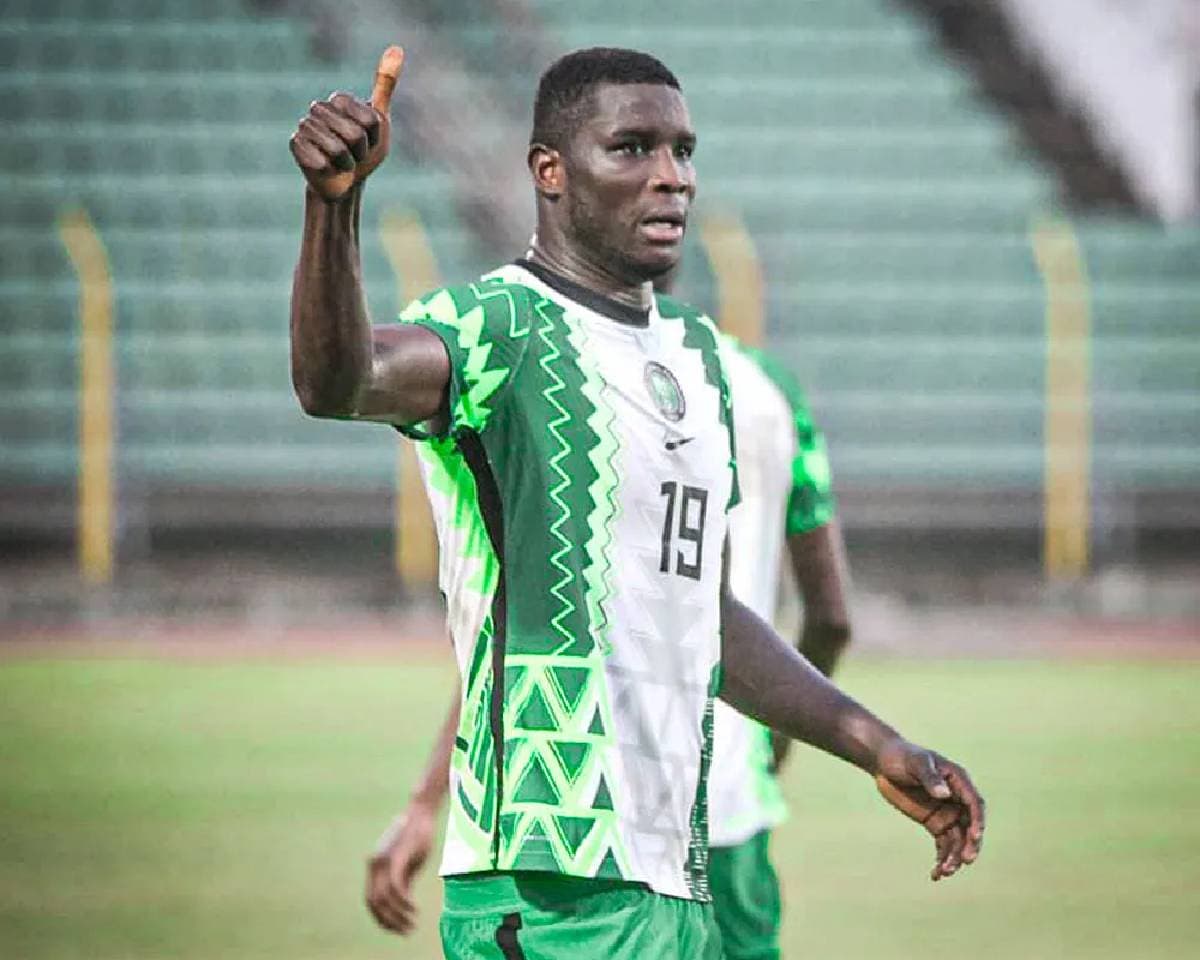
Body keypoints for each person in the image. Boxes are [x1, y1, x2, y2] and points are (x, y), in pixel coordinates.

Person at [289, 44, 984, 960]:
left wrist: (872, 742)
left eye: (684, 152)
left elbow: (699, 614)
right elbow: (341, 380)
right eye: (633, 149)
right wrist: (332, 211)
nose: (671, 178)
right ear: (550, 172)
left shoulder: (699, 361)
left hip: (675, 875)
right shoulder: (500, 326)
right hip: (544, 880)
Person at [365, 331, 854, 960]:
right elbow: (832, 618)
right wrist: (771, 744)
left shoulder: (577, 383)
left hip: (597, 814)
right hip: (733, 802)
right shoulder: (768, 390)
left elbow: (536, 619)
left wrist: (425, 802)